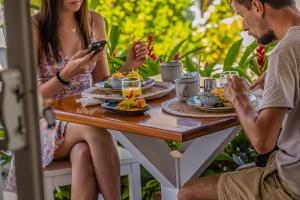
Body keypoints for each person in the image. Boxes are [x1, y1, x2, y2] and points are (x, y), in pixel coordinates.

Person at [5, 0, 147, 199]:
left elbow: (102, 83)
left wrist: (129, 66)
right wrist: (65, 75)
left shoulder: (94, 22)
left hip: (81, 120)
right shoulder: (35, 27)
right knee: (97, 129)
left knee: (83, 154)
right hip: (46, 122)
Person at [179, 0, 300, 199]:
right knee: (241, 172)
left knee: (187, 192)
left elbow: (263, 142)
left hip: (292, 185)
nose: (244, 26)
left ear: (258, 7)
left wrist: (238, 98)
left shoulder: (285, 51)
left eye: (242, 15)